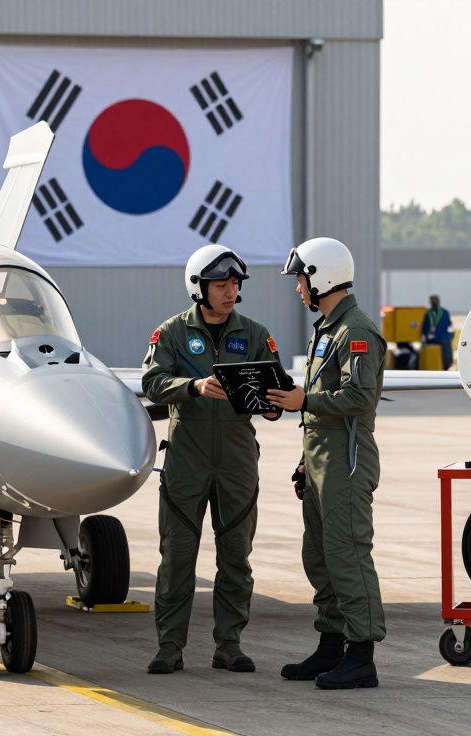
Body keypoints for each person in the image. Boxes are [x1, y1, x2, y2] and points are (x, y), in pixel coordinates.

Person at [141, 244, 282, 675]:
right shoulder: (172, 333)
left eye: (234, 284)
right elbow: (152, 381)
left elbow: (274, 386)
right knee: (178, 556)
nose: (230, 291)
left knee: (236, 556)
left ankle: (229, 644)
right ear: (198, 288)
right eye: (221, 284)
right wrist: (193, 386)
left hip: (238, 460)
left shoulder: (256, 334)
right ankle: (170, 647)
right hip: (188, 459)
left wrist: (274, 403)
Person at [266, 237, 387, 690]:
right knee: (318, 554)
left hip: (346, 460)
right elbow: (320, 409)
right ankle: (332, 644)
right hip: (321, 459)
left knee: (347, 554)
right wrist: (304, 460)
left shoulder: (356, 331)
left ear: (321, 277)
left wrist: (303, 400)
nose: (298, 288)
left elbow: (359, 397)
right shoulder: (328, 328)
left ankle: (362, 655)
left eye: (300, 278)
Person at [421, 294, 454, 369]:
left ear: (438, 301)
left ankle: (446, 365)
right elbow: (424, 326)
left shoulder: (444, 312)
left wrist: (450, 335)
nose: (433, 302)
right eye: (432, 301)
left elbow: (450, 325)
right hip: (431, 338)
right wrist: (424, 336)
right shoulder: (428, 313)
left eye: (435, 300)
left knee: (446, 348)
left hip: (442, 337)